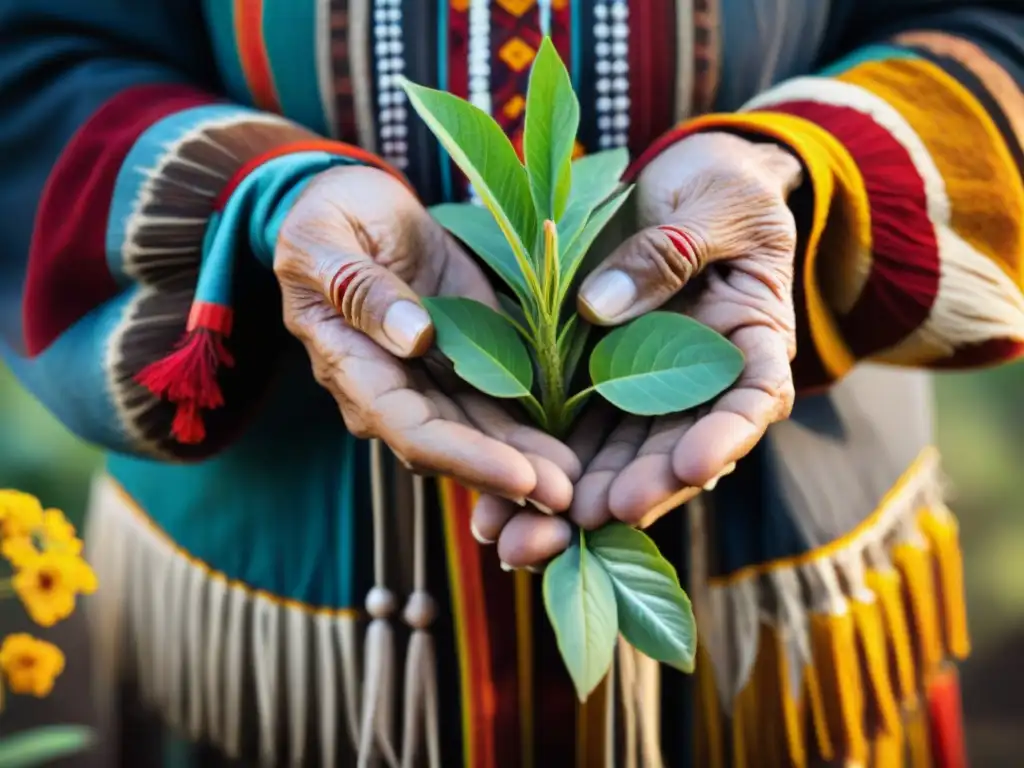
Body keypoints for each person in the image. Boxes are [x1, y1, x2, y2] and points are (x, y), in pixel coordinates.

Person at [1, 0, 1022, 764]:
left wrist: (798, 170)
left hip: (776, 594)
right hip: (289, 627)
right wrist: (267, 200)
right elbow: (31, 54)